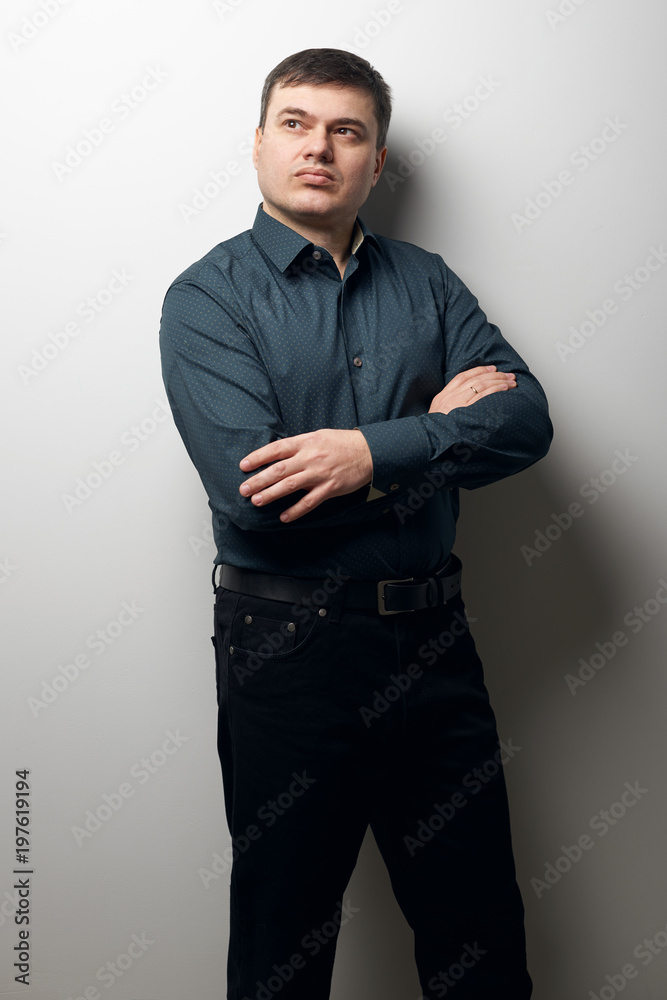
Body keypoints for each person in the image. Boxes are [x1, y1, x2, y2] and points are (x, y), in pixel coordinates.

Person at [159, 46, 552, 1000]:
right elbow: (254, 498)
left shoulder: (429, 283)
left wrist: (367, 453)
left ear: (374, 162)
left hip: (434, 640)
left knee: (479, 936)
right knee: (285, 940)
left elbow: (525, 422)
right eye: (295, 124)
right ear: (258, 143)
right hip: (286, 649)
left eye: (346, 131)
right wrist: (436, 431)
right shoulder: (207, 299)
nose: (318, 148)